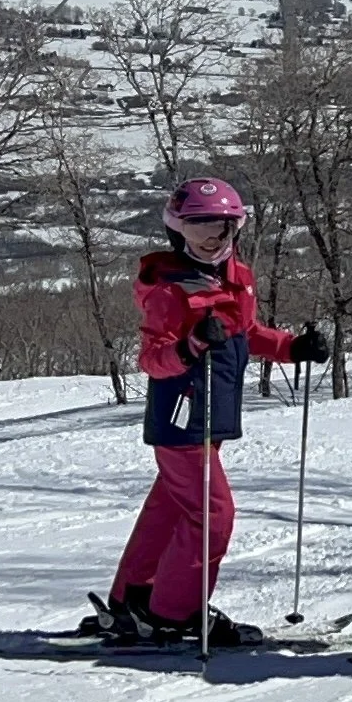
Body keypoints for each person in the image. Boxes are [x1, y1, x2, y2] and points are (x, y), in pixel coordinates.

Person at [100, 177, 330, 644]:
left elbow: (248, 334)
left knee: (167, 511)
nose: (213, 233)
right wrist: (189, 347)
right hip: (182, 416)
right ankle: (173, 612)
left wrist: (294, 347)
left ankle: (131, 600)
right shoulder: (168, 287)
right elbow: (151, 358)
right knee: (213, 516)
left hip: (215, 413)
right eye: (199, 223)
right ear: (178, 228)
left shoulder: (237, 276)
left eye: (224, 224)